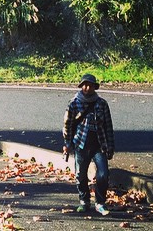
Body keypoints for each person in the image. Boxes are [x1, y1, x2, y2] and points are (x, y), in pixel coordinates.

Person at [63, 73, 115, 216]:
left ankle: (100, 203)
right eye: (85, 85)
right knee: (80, 174)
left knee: (103, 174)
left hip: (100, 143)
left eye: (90, 85)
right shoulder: (74, 103)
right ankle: (84, 201)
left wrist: (110, 146)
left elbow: (108, 126)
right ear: (81, 86)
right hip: (81, 143)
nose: (87, 88)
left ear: (94, 87)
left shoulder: (102, 104)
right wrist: (67, 143)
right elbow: (67, 124)